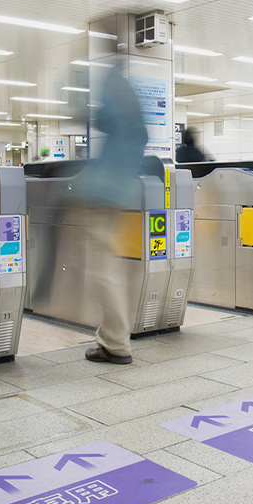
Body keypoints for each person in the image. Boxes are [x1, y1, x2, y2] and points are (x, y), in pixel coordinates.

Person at [74, 59, 148, 365]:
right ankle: (112, 337)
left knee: (101, 266)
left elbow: (110, 120)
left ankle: (116, 343)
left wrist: (87, 112)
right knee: (108, 264)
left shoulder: (113, 85)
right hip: (120, 185)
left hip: (106, 187)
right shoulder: (126, 89)